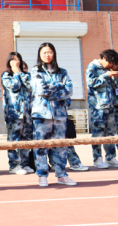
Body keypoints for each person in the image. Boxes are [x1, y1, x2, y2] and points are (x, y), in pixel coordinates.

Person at [31, 42, 76, 187]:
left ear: (54, 53)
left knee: (60, 145)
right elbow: (40, 91)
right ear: (39, 54)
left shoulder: (62, 72)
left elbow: (69, 91)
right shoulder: (35, 71)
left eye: (49, 52)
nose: (47, 55)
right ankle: (42, 175)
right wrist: (59, 87)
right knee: (41, 145)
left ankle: (61, 174)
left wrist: (53, 89)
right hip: (41, 114)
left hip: (60, 114)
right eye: (44, 52)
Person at [85, 49, 118, 168]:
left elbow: (111, 88)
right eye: (110, 63)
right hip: (98, 107)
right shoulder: (92, 67)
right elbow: (91, 83)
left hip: (110, 106)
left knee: (111, 133)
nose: (111, 66)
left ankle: (110, 157)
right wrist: (105, 75)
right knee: (98, 134)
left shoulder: (108, 69)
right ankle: (97, 158)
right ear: (103, 59)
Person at [1, 52, 35, 175]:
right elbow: (14, 87)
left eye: (17, 59)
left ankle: (24, 164)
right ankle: (14, 165)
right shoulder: (6, 75)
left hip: (27, 113)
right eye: (12, 60)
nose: (15, 62)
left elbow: (31, 87)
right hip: (14, 113)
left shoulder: (26, 75)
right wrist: (15, 72)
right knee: (14, 140)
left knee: (26, 140)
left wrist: (20, 73)